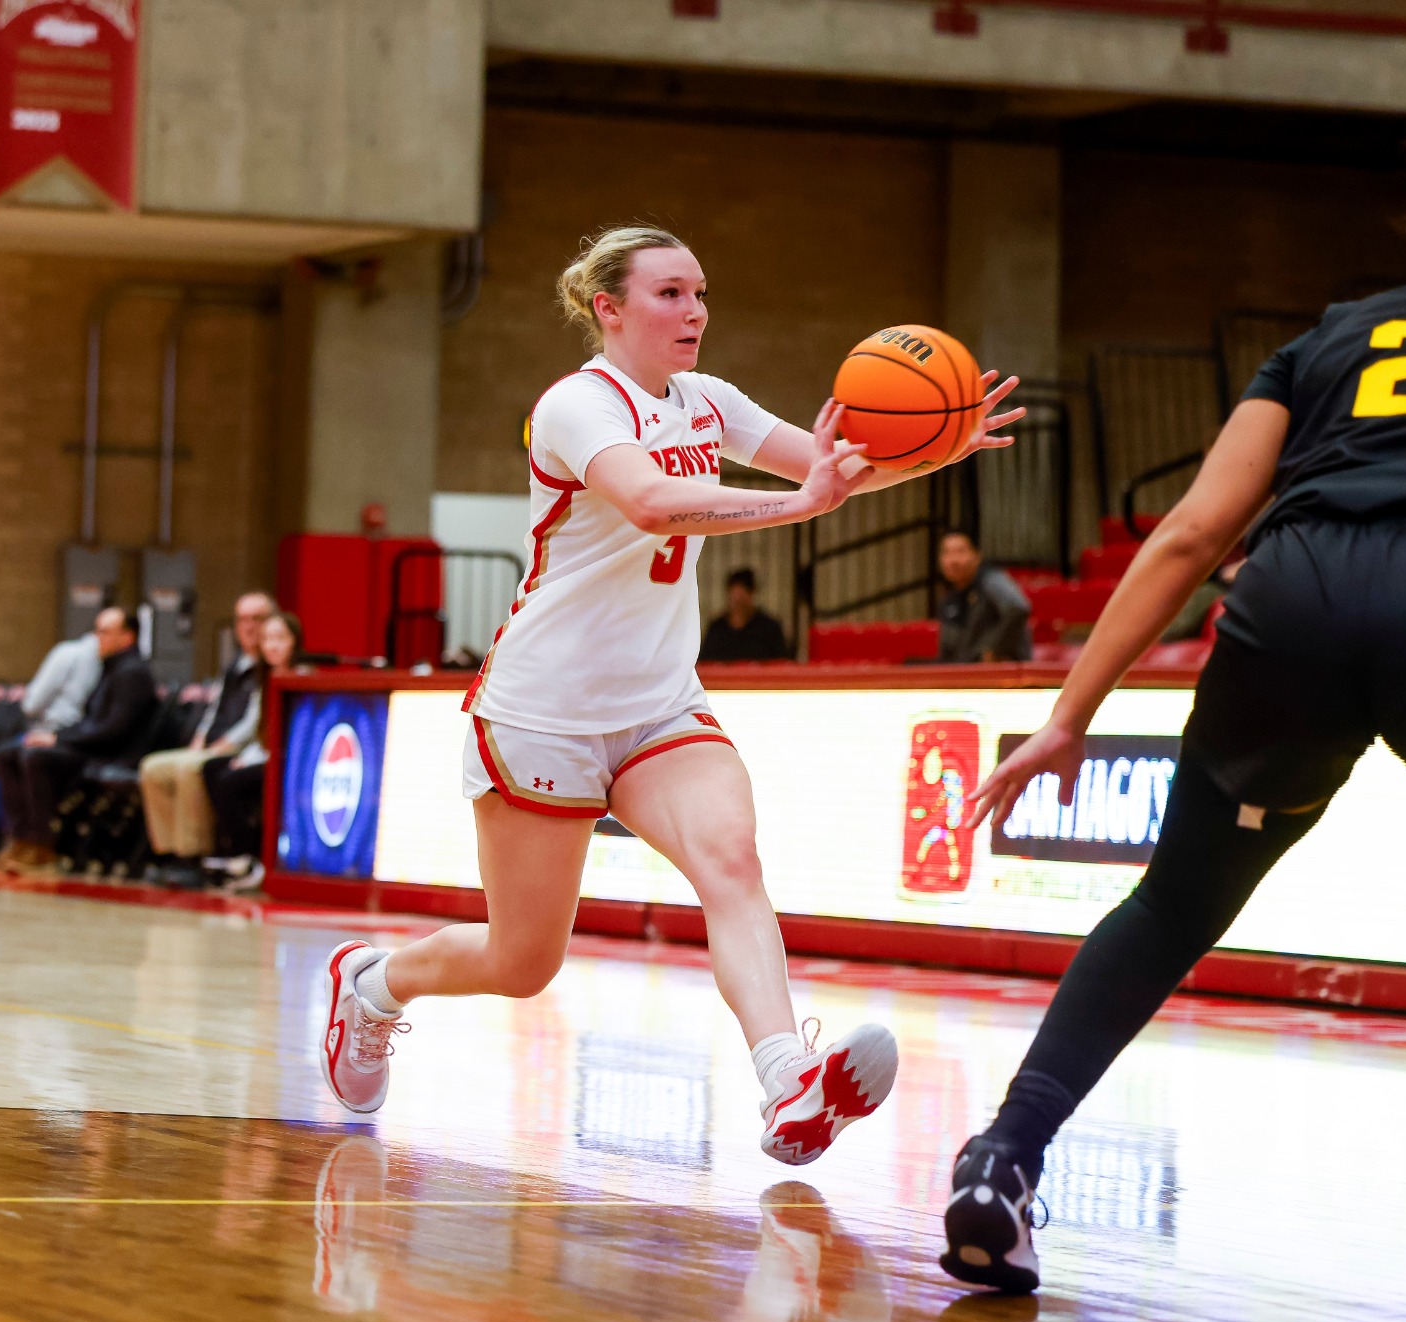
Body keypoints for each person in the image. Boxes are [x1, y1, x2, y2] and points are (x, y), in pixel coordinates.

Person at [317, 226, 1023, 1162]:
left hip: (658, 704)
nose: (693, 312)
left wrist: (939, 446)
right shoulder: (575, 406)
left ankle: (787, 1083)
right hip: (545, 708)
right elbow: (654, 503)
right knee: (522, 962)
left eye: (700, 294)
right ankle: (372, 984)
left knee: (731, 859)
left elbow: (831, 472)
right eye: (669, 294)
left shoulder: (708, 400)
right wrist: (800, 504)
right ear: (608, 309)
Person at [938, 175, 1406, 1294]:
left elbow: (1192, 531)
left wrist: (1069, 716)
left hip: (1287, 597)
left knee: (1170, 905)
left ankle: (1001, 1157)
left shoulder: (1324, 341)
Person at [0, 606, 158, 869]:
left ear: (127, 637)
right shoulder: (111, 667)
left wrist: (58, 740)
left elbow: (112, 730)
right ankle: (19, 838)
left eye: (104, 632)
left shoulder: (132, 672)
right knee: (7, 755)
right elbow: (89, 721)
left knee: (35, 757)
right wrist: (55, 735)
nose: (96, 638)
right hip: (93, 747)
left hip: (112, 754)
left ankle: (42, 843)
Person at [138, 590, 275, 884]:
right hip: (213, 742)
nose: (249, 626)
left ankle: (192, 855)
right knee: (153, 768)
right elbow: (215, 706)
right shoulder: (234, 664)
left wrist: (224, 745)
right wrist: (200, 736)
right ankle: (167, 851)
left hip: (241, 748)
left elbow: (254, 721)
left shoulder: (269, 666)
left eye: (257, 619)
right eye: (242, 620)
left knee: (191, 769)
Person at [0, 627, 103, 864]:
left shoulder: (68, 652)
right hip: (72, 738)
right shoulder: (103, 662)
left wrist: (29, 698)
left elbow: (33, 703)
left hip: (50, 734)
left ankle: (6, 837)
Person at [202, 609, 303, 887]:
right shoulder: (264, 679)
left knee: (230, 783)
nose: (272, 645)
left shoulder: (301, 678)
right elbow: (260, 730)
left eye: (280, 638)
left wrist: (250, 760)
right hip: (265, 754)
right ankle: (227, 849)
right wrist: (246, 757)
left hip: (289, 761)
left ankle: (247, 855)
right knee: (212, 768)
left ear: (295, 642)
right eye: (267, 639)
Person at [935, 530, 1032, 663]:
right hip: (964, 673)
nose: (953, 560)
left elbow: (1018, 608)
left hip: (1002, 673)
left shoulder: (991, 580)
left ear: (977, 556)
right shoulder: (949, 600)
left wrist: (991, 649)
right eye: (946, 553)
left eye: (960, 552)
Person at [698, 568, 790, 662]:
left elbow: (781, 665)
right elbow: (705, 664)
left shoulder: (769, 629)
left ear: (751, 595)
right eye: (734, 600)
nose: (738, 605)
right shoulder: (717, 629)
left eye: (741, 600)